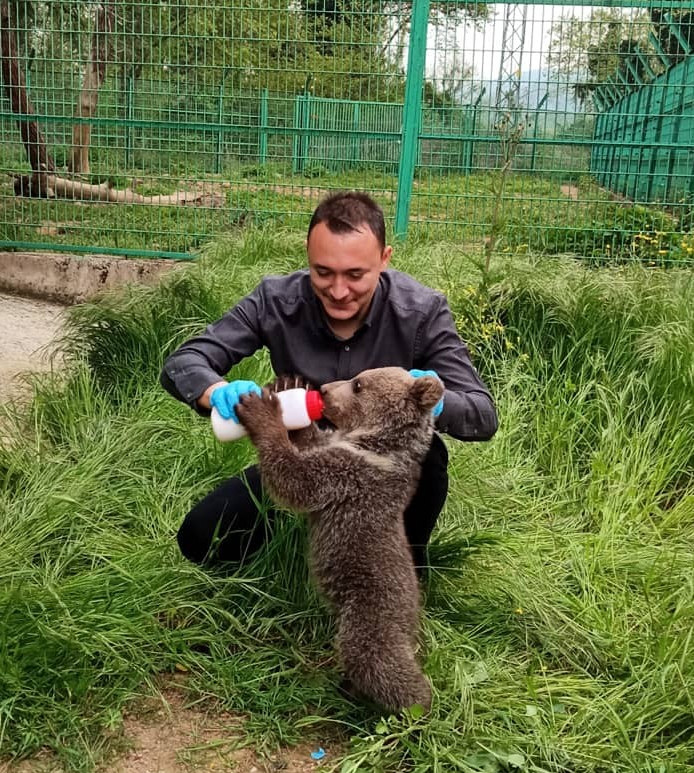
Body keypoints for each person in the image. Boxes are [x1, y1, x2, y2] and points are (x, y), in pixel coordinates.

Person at [161, 191, 498, 568]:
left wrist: (434, 402)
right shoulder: (276, 300)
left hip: (382, 469)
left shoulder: (421, 312)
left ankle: (400, 565)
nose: (338, 291)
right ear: (307, 254)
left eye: (356, 275)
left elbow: (482, 414)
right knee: (201, 537)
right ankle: (289, 559)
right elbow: (185, 362)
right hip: (304, 458)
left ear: (384, 259)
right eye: (323, 272)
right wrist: (217, 392)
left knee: (428, 456)